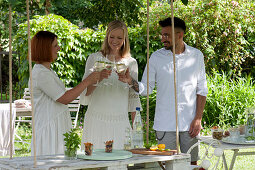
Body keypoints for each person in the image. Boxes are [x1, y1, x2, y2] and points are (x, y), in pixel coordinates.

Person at [120, 17, 208, 165]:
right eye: (162, 35)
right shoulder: (156, 57)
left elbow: (202, 89)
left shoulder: (196, 56)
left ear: (180, 35)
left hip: (190, 123)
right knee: (168, 165)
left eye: (167, 35)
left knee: (191, 164)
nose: (162, 39)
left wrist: (198, 118)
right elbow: (146, 89)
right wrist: (130, 81)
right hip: (165, 124)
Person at [29, 31, 99, 156]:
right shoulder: (41, 73)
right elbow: (64, 98)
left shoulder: (48, 71)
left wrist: (92, 81)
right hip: (49, 129)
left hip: (56, 125)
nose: (59, 48)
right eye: (55, 45)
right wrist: (88, 80)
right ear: (45, 48)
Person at [80, 20, 142, 150]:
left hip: (120, 122)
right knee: (94, 163)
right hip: (96, 120)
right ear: (107, 36)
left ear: (125, 39)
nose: (115, 41)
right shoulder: (94, 58)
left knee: (119, 162)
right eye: (112, 37)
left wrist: (136, 130)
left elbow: (134, 96)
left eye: (119, 38)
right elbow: (85, 92)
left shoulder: (131, 63)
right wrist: (97, 78)